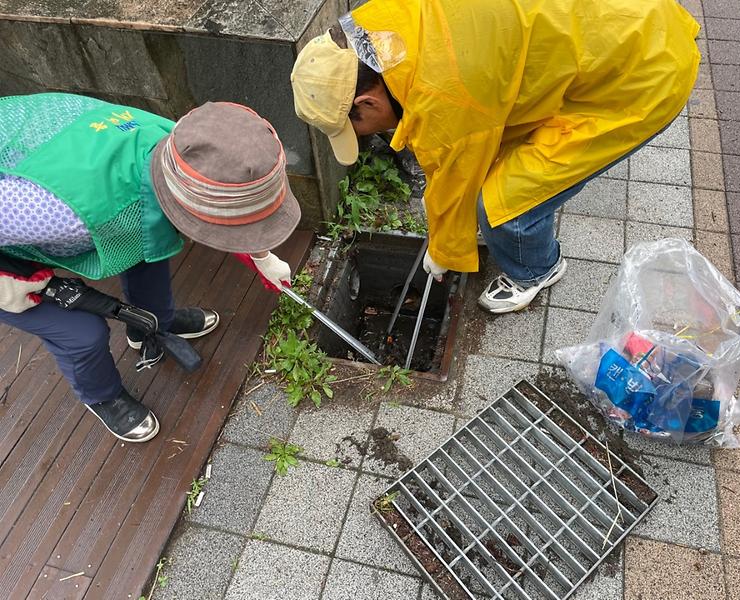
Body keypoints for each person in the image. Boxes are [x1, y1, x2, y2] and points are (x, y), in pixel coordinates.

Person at [290, 0, 700, 313]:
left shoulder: (444, 94)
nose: (364, 137)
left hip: (638, 79)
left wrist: (444, 248)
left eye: (354, 128)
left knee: (503, 203)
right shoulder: (388, 21)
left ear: (367, 100)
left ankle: (536, 270)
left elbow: (457, 176)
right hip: (622, 21)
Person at [0, 94, 300, 442]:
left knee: (149, 244)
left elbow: (229, 211)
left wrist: (261, 256)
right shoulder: (49, 212)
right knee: (82, 333)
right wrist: (13, 281)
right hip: (25, 225)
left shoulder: (185, 147)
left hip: (64, 179)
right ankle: (102, 395)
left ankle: (152, 326)